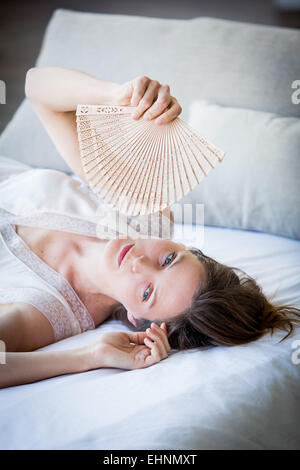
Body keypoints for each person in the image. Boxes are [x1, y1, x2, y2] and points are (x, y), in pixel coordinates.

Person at [0, 67, 299, 389]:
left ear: (135, 317)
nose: (140, 263)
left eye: (147, 291)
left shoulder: (48, 311)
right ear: (184, 248)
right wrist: (115, 95)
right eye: (169, 259)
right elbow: (38, 88)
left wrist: (90, 356)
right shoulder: (144, 218)